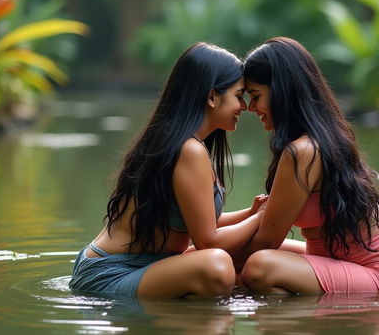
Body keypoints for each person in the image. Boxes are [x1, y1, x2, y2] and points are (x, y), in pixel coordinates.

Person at [69, 42, 266, 298]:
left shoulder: (187, 144)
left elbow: (198, 223)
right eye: (239, 95)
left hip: (148, 266)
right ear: (212, 96)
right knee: (216, 266)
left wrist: (251, 213)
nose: (244, 106)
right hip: (110, 272)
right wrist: (262, 217)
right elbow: (209, 241)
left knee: (254, 259)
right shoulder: (188, 149)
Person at [238, 37, 379, 293]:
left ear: (282, 91)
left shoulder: (304, 151)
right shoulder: (314, 140)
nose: (250, 107)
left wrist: (201, 260)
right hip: (345, 261)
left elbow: (265, 242)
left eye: (256, 96)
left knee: (259, 267)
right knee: (245, 265)